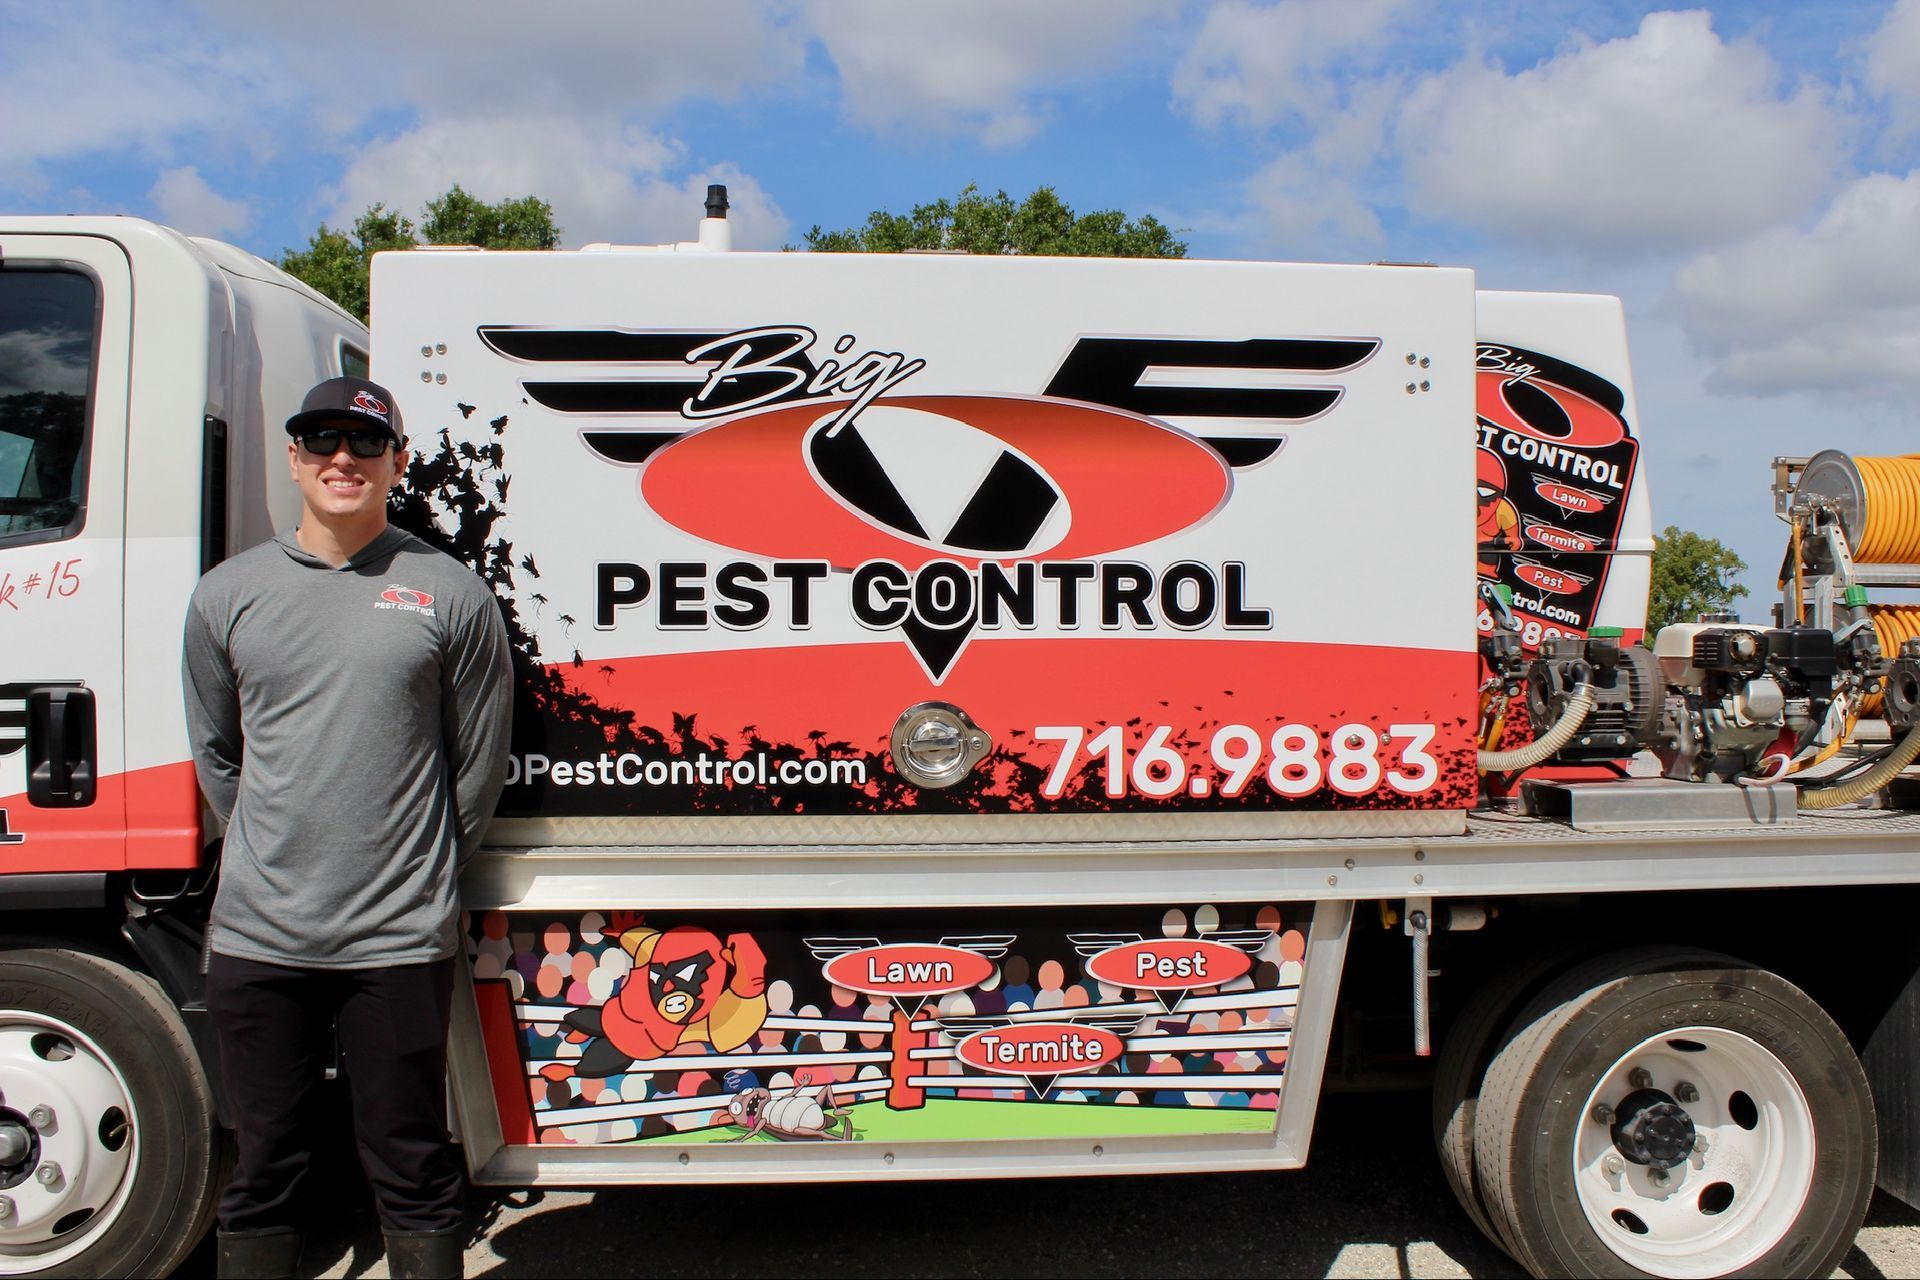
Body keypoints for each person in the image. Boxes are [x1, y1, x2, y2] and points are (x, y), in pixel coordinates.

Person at [182, 376, 512, 1280]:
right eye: (321, 440)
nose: (343, 459)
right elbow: (216, 754)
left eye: (365, 444)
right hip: (260, 934)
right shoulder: (228, 595)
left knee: (412, 1166)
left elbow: (476, 768)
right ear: (293, 459)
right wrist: (269, 848)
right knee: (264, 1168)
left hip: (397, 937)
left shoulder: (449, 595)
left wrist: (420, 871)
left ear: (396, 462)